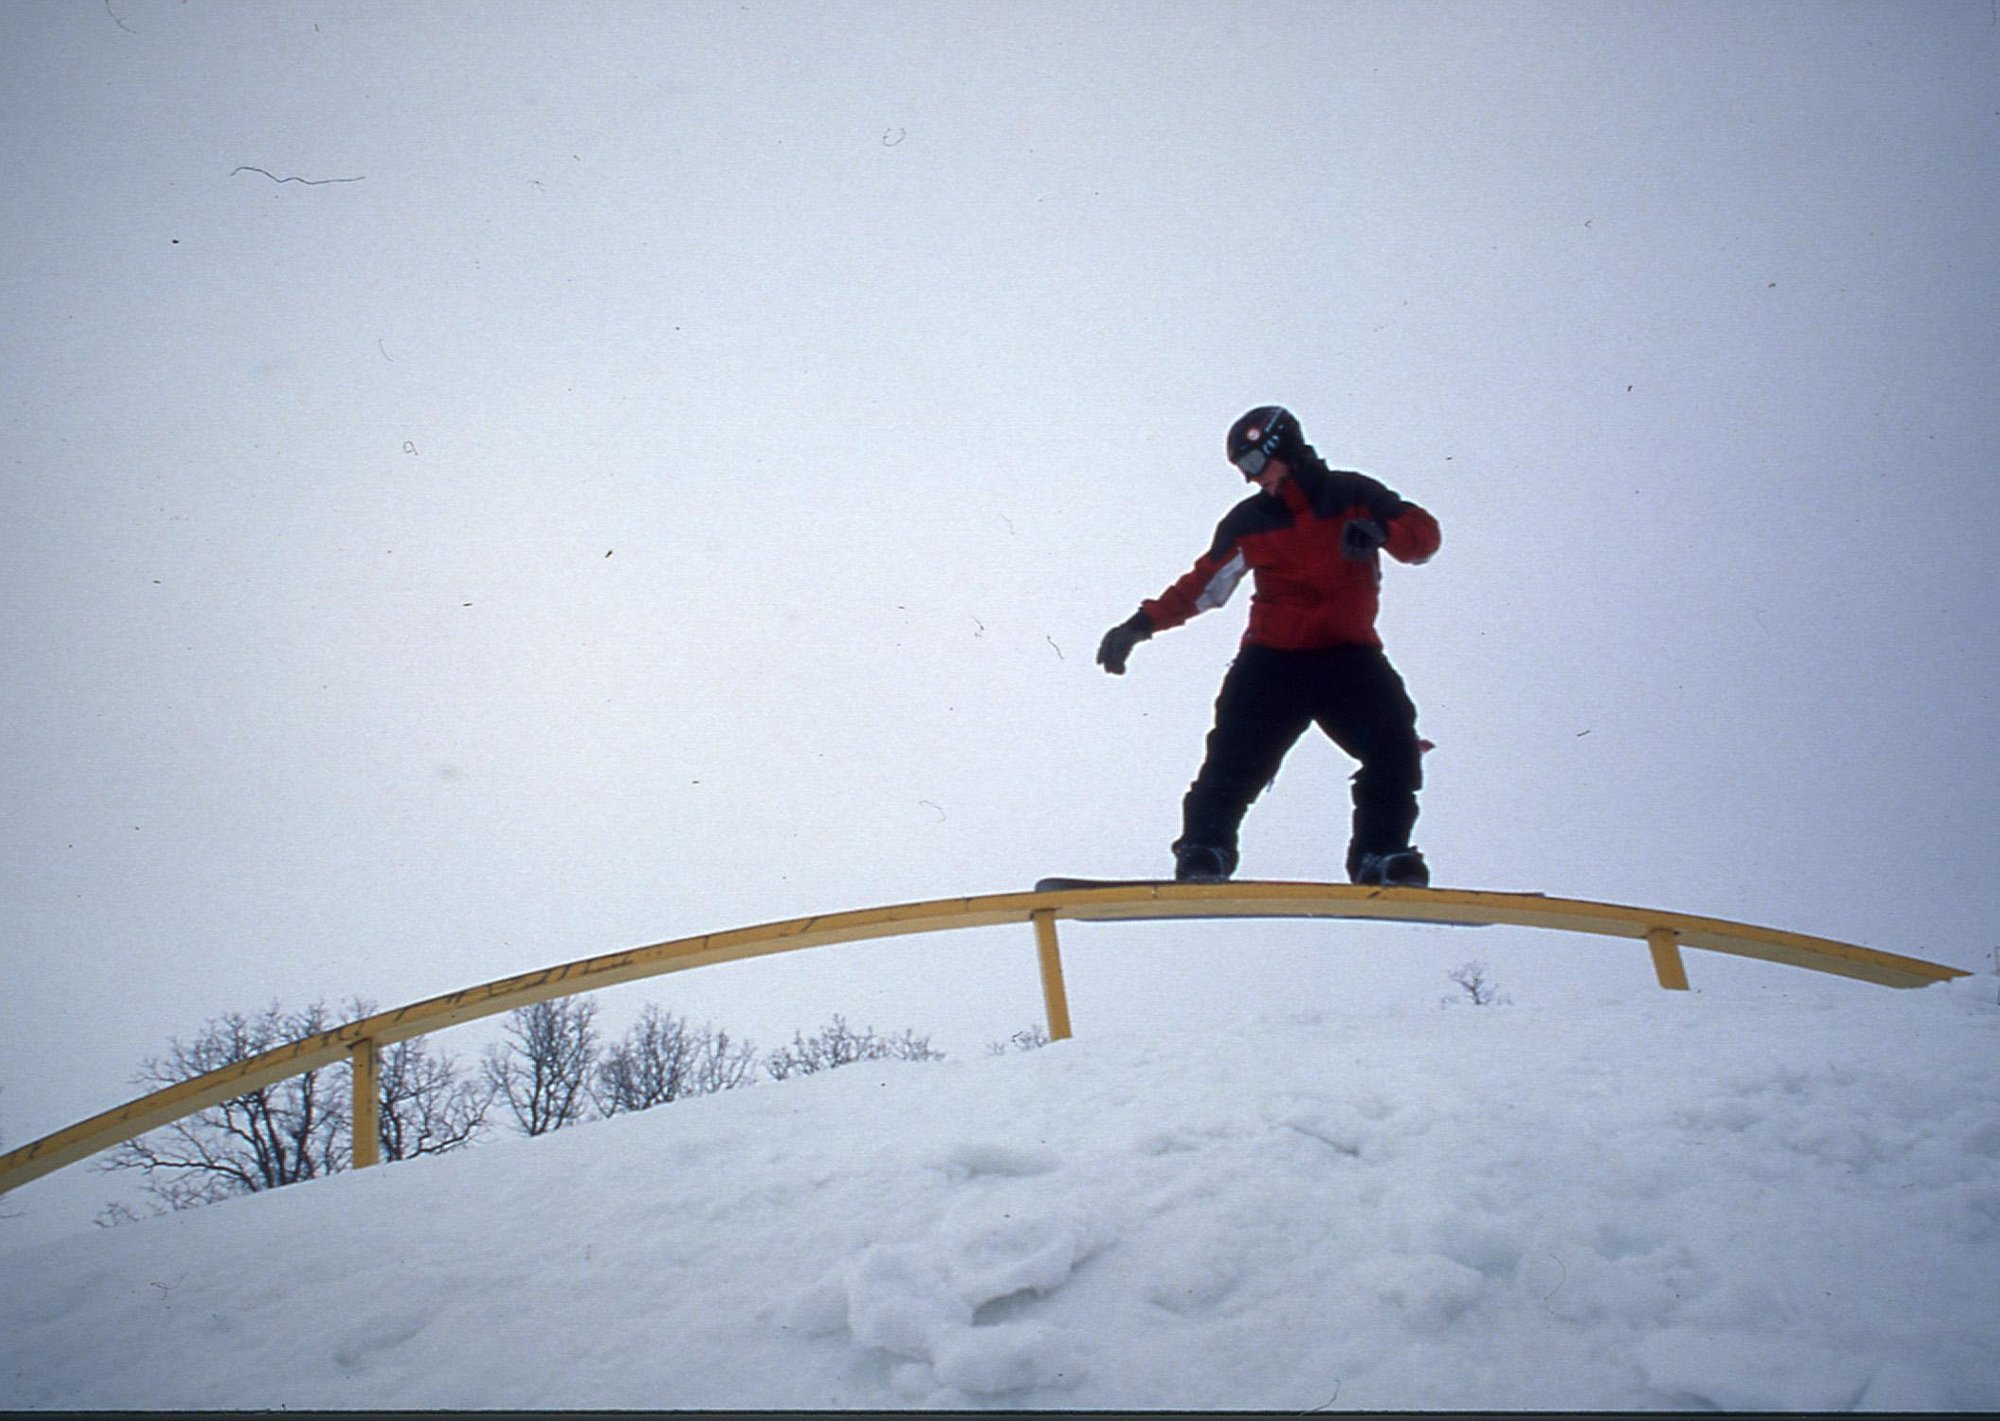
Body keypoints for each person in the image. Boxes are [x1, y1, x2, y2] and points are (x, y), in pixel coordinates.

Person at [1095, 405, 1441, 886]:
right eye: (1242, 471)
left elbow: (1423, 539)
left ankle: (1381, 856)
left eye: (1255, 465)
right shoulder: (1250, 521)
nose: (1251, 480)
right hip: (1274, 661)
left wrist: (1383, 532)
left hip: (1349, 659)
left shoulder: (1355, 495)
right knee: (1234, 756)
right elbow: (1203, 585)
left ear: (1285, 449)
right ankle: (1205, 851)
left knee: (1395, 748)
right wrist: (1140, 624)